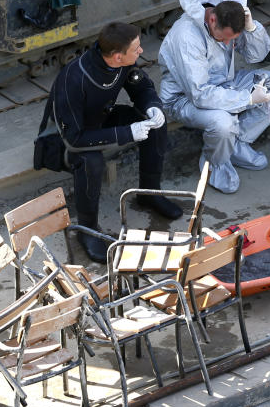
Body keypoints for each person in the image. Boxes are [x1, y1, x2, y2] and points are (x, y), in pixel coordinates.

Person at [42, 22, 182, 263]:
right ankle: (88, 230)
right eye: (136, 49)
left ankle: (148, 193)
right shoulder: (73, 80)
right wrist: (127, 133)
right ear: (118, 56)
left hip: (101, 119)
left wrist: (152, 107)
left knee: (155, 126)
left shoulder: (121, 64)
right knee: (91, 161)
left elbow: (142, 88)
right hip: (66, 141)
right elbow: (74, 139)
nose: (140, 52)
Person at [158, 0, 270, 194]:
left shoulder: (228, 18)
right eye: (226, 38)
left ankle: (236, 144)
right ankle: (214, 164)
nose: (229, 43)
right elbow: (200, 94)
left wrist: (252, 29)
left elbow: (256, 55)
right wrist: (249, 99)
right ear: (212, 20)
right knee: (223, 123)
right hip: (184, 100)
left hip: (225, 85)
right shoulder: (187, 37)